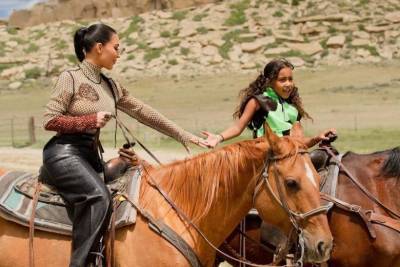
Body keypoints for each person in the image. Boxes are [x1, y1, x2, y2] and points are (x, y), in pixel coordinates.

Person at [42, 23, 206, 267]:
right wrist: (89, 120)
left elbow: (143, 111)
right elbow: (49, 120)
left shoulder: (110, 85)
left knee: (135, 171)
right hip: (63, 154)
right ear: (99, 48)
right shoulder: (70, 78)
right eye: (116, 47)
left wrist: (183, 135)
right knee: (99, 197)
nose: (119, 53)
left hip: (89, 156)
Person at [202, 58, 335, 148]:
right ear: (270, 81)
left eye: (290, 79)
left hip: (289, 158)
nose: (288, 84)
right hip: (265, 157)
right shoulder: (258, 101)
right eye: (282, 80)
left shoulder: (293, 108)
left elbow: (299, 142)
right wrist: (218, 138)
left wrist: (317, 138)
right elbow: (238, 128)